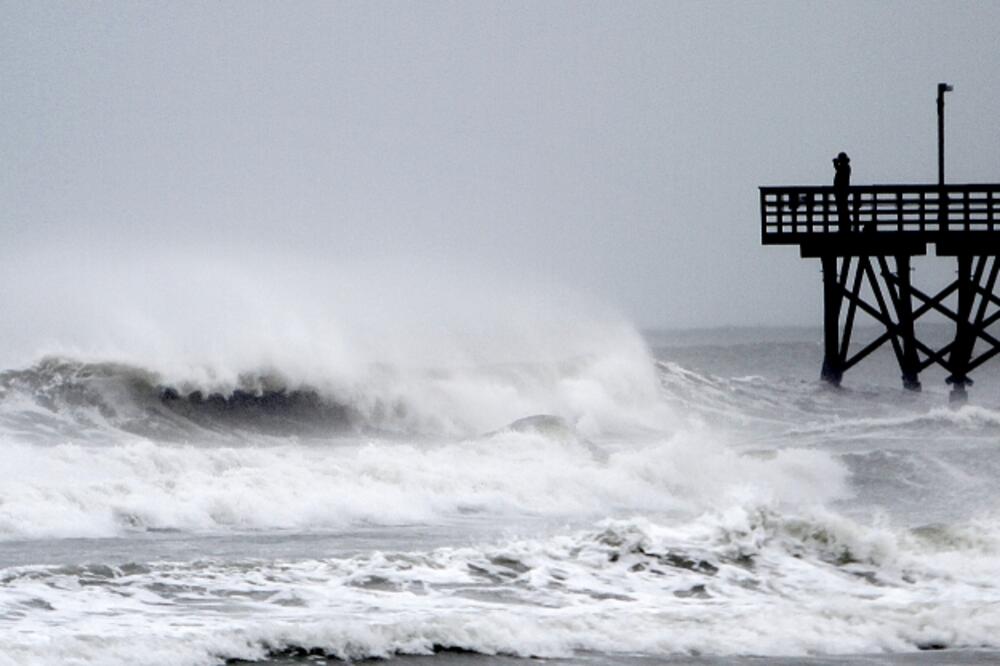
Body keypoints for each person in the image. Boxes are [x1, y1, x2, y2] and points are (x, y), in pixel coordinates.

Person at [833, 152, 851, 232]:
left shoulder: (845, 167)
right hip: (841, 192)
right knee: (842, 210)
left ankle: (845, 227)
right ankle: (844, 227)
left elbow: (840, 170)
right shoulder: (846, 167)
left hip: (842, 192)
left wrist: (835, 164)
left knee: (842, 211)